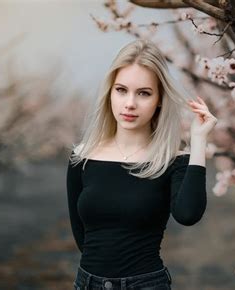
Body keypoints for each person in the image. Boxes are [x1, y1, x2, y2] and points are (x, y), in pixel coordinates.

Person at [66, 39, 217, 290]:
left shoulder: (173, 160)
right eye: (121, 90)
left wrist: (198, 140)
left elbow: (188, 215)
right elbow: (82, 236)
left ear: (159, 99)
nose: (130, 103)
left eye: (144, 93)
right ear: (110, 92)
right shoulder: (82, 157)